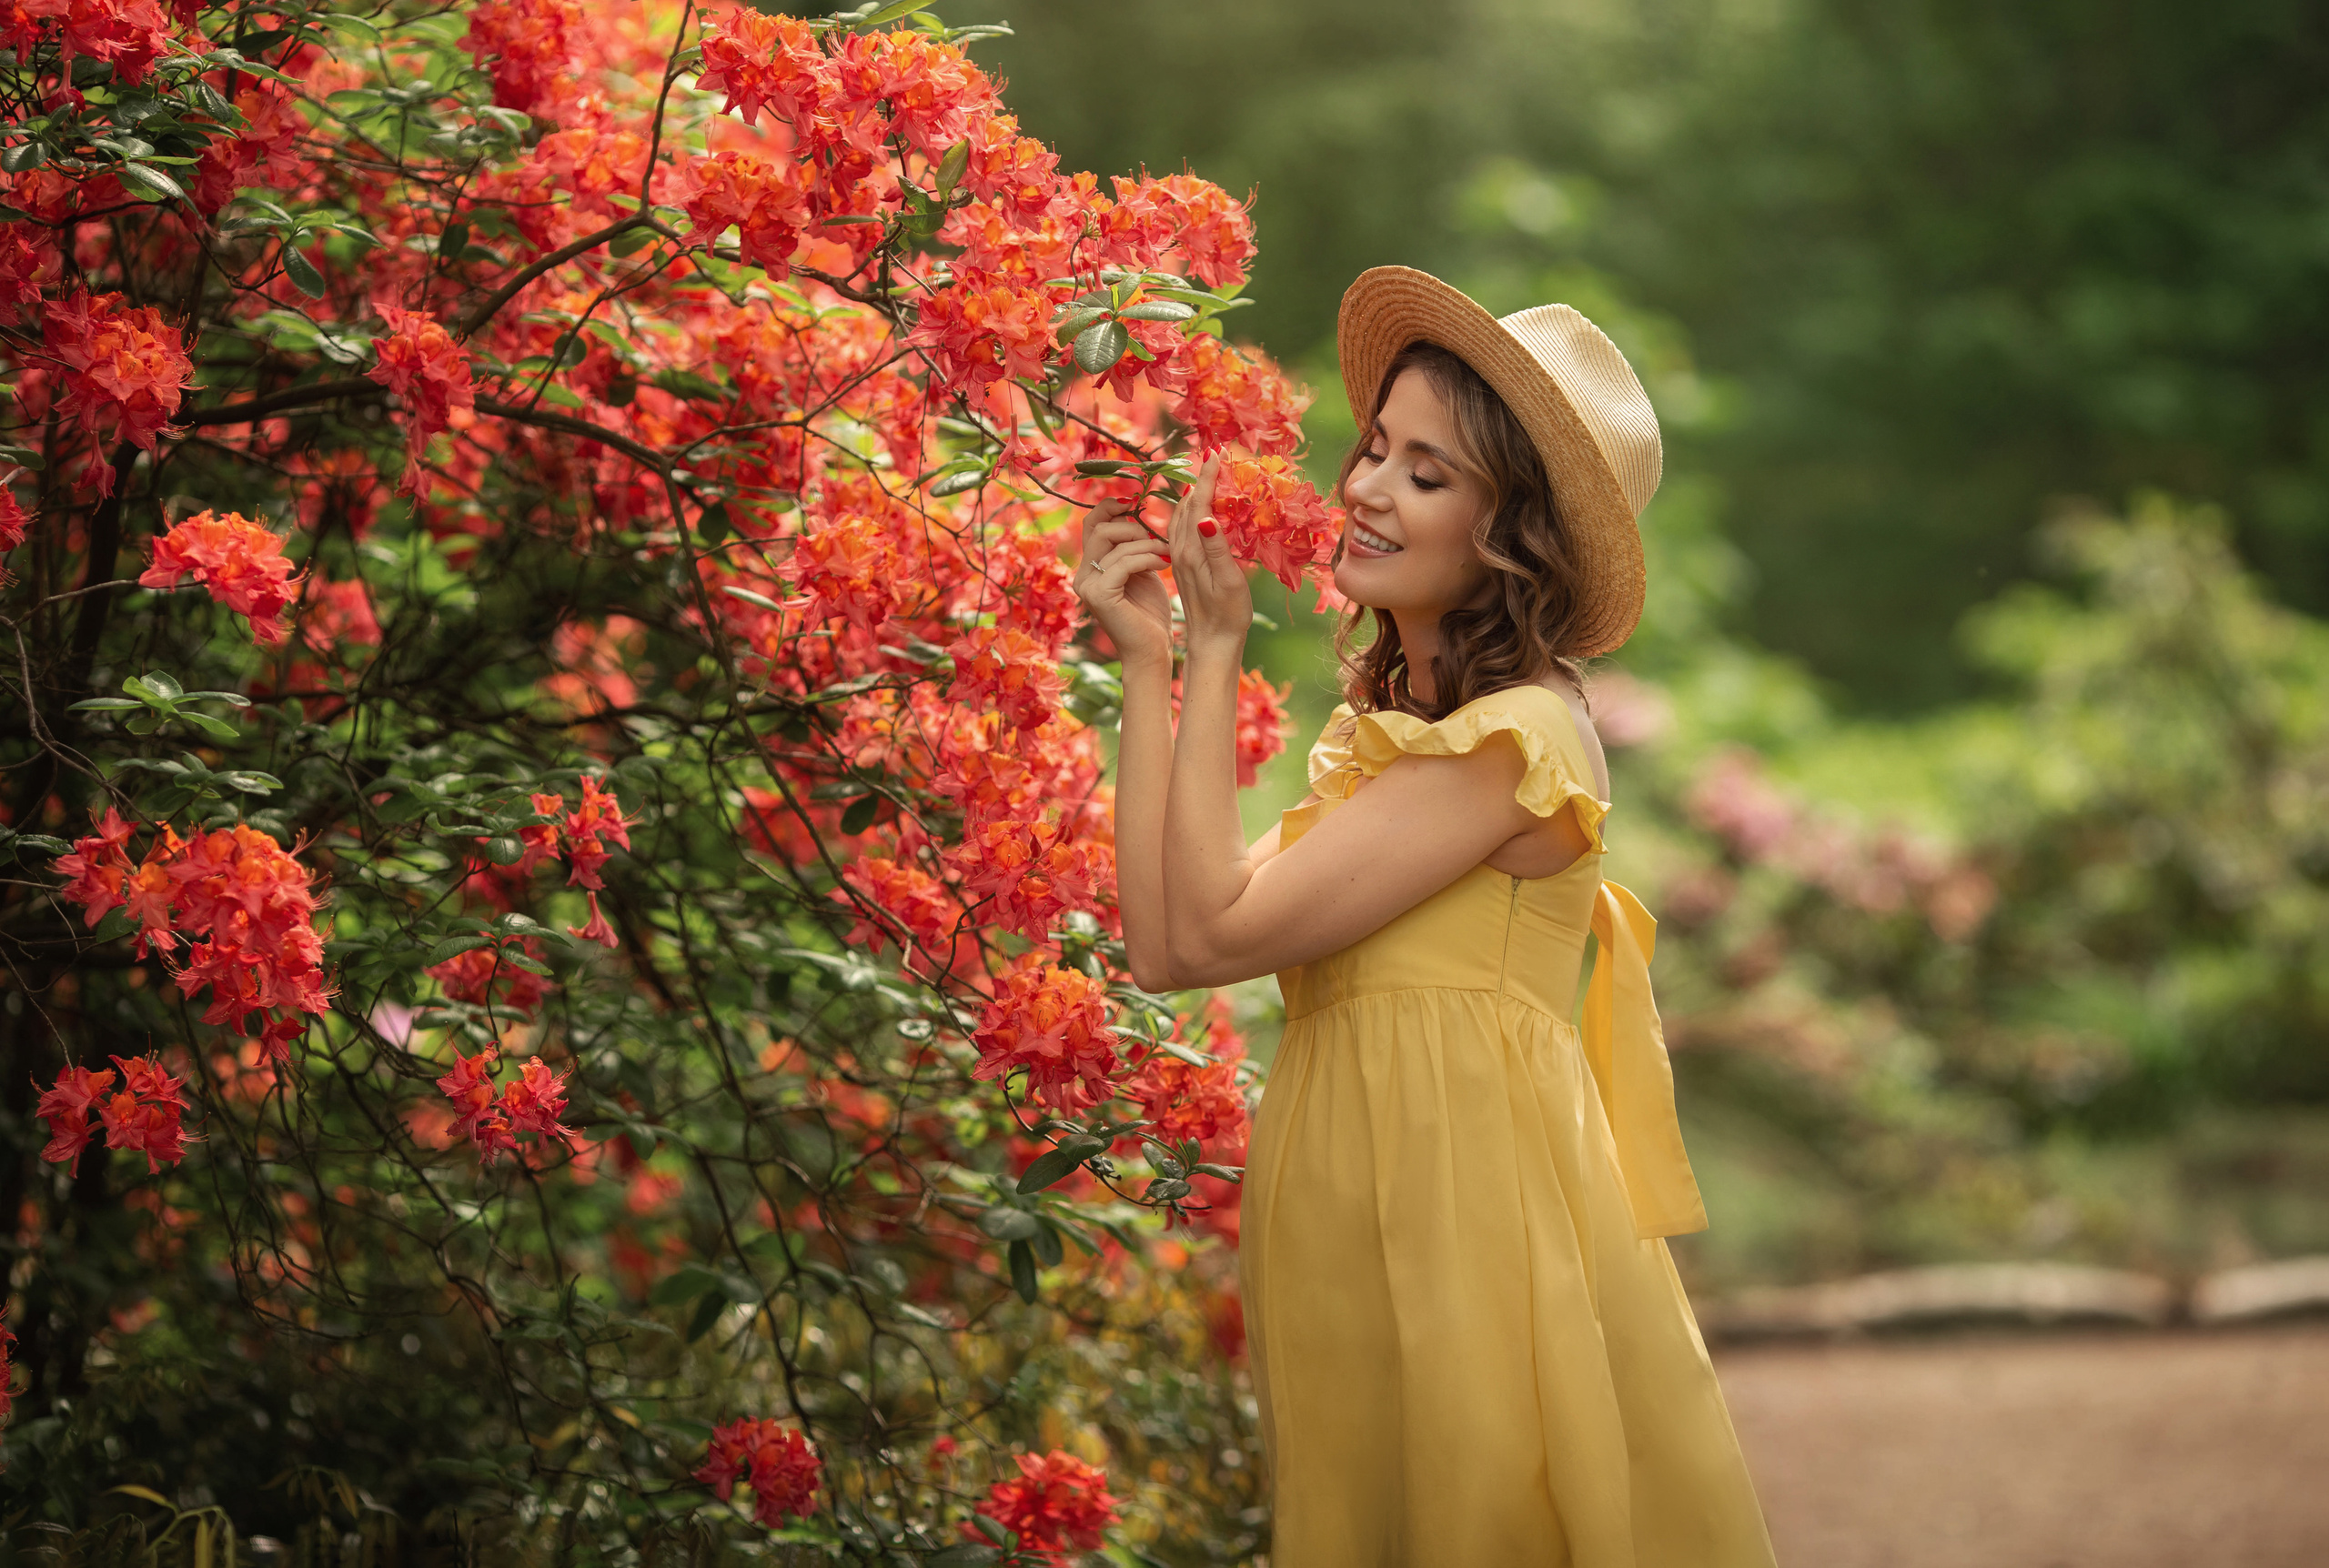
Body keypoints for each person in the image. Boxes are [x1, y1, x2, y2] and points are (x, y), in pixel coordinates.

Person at [1074, 266, 1776, 1567]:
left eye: (1429, 474)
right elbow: (1168, 944)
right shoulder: (1395, 750)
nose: (1368, 490)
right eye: (1377, 450)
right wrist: (1153, 663)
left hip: (1469, 1216)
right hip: (1349, 1209)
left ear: (1513, 538)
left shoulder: (1515, 743)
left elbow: (1215, 935)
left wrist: (1215, 653)